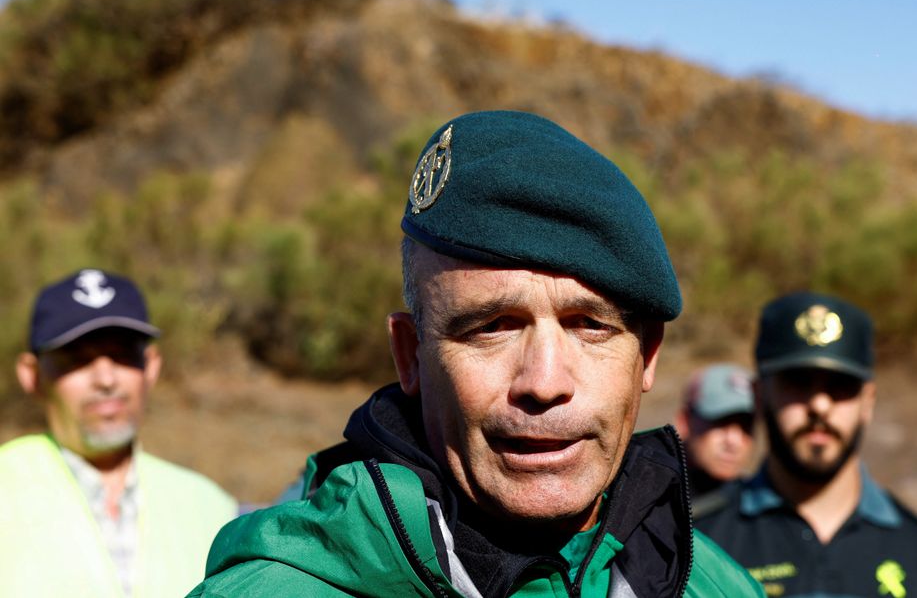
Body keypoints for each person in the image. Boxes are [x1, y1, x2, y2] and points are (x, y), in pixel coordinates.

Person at [189, 111, 763, 597]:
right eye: (493, 328)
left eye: (588, 326)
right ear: (410, 356)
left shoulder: (715, 586)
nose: (543, 382)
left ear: (648, 356)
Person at [695, 291, 917, 597]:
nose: (820, 405)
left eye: (840, 386)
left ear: (868, 402)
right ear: (759, 394)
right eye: (798, 382)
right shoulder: (694, 546)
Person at [0, 269, 238, 598]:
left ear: (151, 367)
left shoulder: (212, 506)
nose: (106, 379)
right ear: (32, 375)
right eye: (76, 358)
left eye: (124, 355)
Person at [674, 363, 755, 500]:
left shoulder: (757, 504)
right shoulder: (644, 495)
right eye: (720, 422)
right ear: (684, 422)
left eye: (746, 426)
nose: (734, 441)